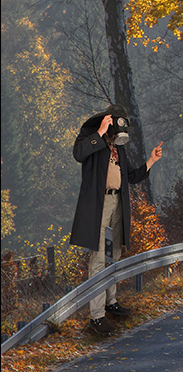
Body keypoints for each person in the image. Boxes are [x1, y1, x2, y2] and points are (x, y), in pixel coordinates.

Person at [70, 105, 163, 336]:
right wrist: (100, 132)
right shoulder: (92, 136)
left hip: (118, 205)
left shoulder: (118, 147)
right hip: (99, 205)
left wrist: (150, 161)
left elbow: (130, 176)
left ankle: (111, 302)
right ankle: (97, 316)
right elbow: (78, 154)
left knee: (114, 255)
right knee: (99, 257)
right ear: (109, 122)